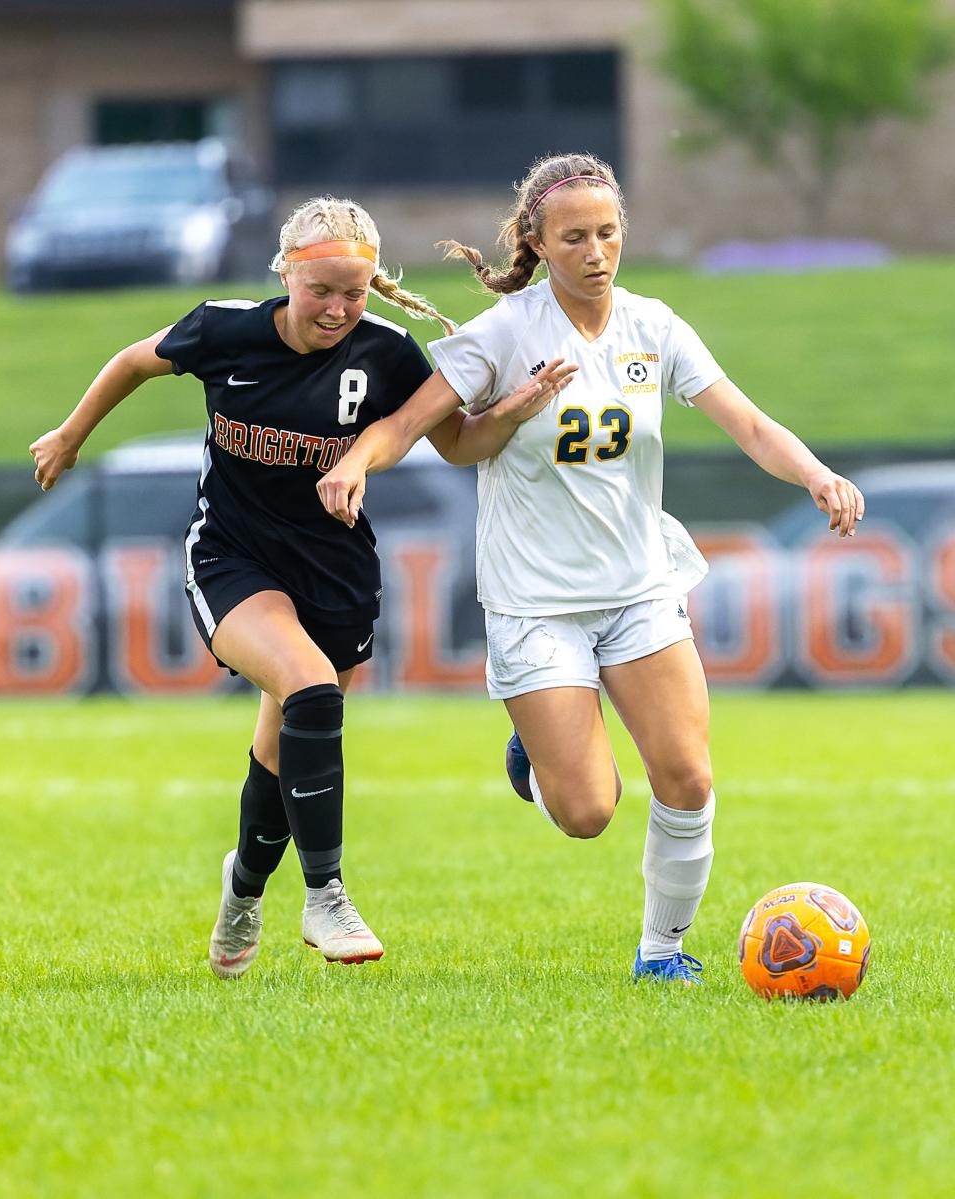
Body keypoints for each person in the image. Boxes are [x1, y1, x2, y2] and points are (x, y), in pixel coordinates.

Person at [317, 153, 865, 986]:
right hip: (536, 603)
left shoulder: (655, 326)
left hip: (641, 587)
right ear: (538, 239)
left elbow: (749, 424)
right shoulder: (504, 334)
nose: (596, 251)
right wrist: (358, 463)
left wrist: (817, 472)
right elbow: (413, 421)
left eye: (608, 233)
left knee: (687, 776)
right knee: (587, 811)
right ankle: (532, 759)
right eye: (574, 236)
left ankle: (662, 953)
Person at [28, 195, 574, 980]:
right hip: (233, 555)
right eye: (322, 290)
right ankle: (326, 894)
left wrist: (515, 411)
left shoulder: (384, 353)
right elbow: (132, 362)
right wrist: (72, 432)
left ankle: (244, 888)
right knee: (311, 688)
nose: (338, 308)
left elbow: (455, 443)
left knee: (285, 743)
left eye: (354, 292)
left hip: (336, 569)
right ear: (286, 273)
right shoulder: (225, 329)